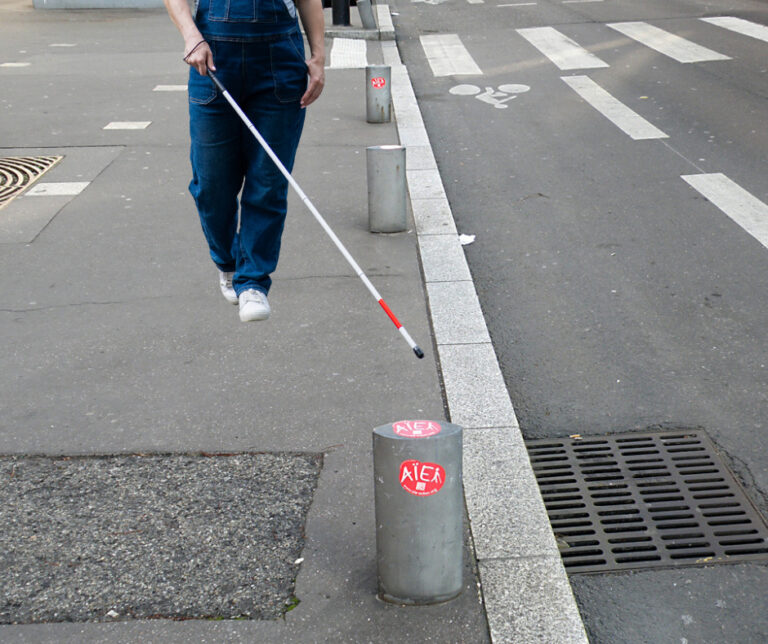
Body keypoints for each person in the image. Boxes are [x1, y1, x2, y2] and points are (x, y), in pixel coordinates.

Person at [164, 0, 325, 321]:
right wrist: (190, 35)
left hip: (280, 60)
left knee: (268, 182)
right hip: (213, 58)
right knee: (211, 186)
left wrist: (319, 56)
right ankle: (227, 262)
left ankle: (253, 282)